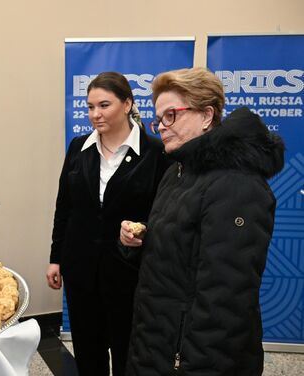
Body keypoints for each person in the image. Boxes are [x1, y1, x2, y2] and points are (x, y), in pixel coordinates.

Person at [120, 67, 284, 375]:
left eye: (172, 115)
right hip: (156, 343)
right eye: (158, 119)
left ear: (207, 116)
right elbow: (177, 258)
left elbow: (226, 302)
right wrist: (135, 242)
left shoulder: (237, 186)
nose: (162, 127)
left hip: (192, 359)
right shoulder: (177, 172)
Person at [46, 72, 171, 375]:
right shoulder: (79, 147)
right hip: (81, 271)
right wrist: (56, 258)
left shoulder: (155, 153)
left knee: (128, 349)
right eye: (90, 107)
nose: (95, 114)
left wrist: (141, 229)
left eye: (104, 105)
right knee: (88, 351)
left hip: (129, 273)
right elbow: (65, 206)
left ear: (127, 103)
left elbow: (164, 213)